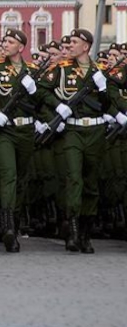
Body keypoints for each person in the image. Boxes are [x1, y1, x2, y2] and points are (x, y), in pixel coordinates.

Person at [36, 29, 115, 253]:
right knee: (73, 179)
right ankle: (72, 232)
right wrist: (57, 104)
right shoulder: (61, 69)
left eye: (75, 42)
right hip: (73, 130)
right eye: (69, 41)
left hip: (96, 130)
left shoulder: (99, 72)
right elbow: (42, 91)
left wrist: (103, 87)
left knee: (90, 183)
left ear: (86, 46)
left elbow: (108, 103)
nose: (70, 45)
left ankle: (86, 233)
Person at [0, 29, 38, 252]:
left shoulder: (32, 71)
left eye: (11, 41)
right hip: (4, 130)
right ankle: (9, 227)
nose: (5, 44)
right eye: (4, 40)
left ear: (21, 47)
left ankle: (15, 220)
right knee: (8, 175)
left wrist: (35, 90)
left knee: (21, 178)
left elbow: (42, 101)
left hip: (26, 129)